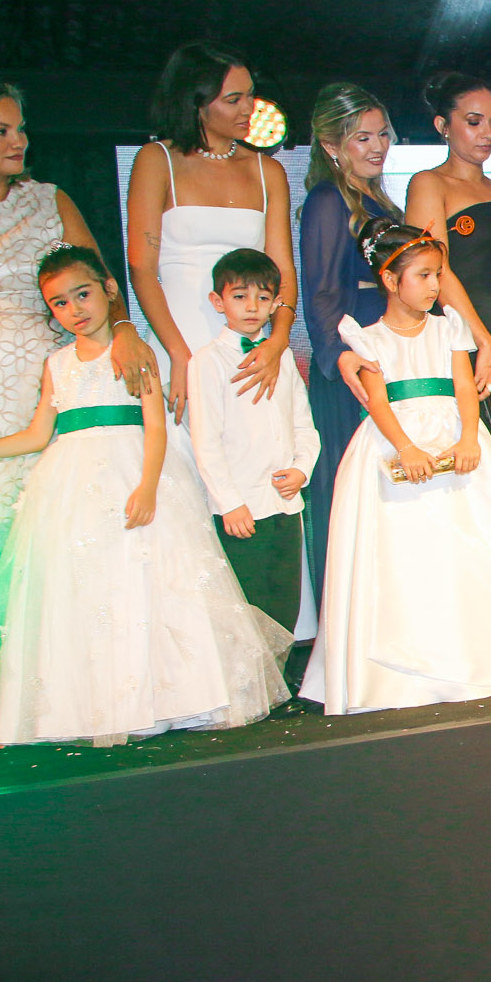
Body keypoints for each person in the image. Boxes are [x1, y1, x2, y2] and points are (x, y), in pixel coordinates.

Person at [0, 245, 288, 746]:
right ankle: (80, 708)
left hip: (133, 470)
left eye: (83, 294)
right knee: (81, 587)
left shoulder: (133, 351)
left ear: (108, 289)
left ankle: (174, 698)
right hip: (70, 485)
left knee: (149, 576)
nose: (75, 309)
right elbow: (37, 434)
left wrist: (148, 485)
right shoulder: (56, 364)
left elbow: (155, 425)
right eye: (60, 303)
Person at [300, 220, 491, 714]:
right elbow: (378, 399)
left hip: (454, 434)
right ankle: (404, 669)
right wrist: (406, 447)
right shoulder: (366, 337)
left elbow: (464, 386)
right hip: (397, 441)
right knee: (406, 553)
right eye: (424, 275)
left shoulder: (449, 326)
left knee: (476, 542)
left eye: (438, 274)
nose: (435, 285)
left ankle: (488, 656)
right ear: (391, 280)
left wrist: (469, 436)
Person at [0, 76, 157, 651]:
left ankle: (65, 674)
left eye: (20, 128)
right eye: (0, 131)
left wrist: (125, 330)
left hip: (54, 383)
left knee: (64, 540)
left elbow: (100, 282)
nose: (18, 140)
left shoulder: (50, 200)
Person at [125, 42, 299, 428]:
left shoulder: (268, 171)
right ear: (196, 104)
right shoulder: (157, 160)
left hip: (251, 345)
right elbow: (141, 267)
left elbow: (283, 269)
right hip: (179, 336)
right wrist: (178, 354)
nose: (248, 108)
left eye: (251, 95)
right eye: (233, 99)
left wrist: (278, 340)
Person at [298, 82, 400, 592]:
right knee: (352, 487)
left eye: (382, 134)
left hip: (387, 350)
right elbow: (319, 291)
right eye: (363, 138)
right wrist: (339, 356)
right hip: (352, 361)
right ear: (331, 145)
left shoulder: (377, 200)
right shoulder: (326, 199)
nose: (378, 146)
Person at [187, 248, 319, 632]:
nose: (251, 307)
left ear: (276, 303)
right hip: (242, 508)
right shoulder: (207, 361)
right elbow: (206, 440)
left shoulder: (283, 358)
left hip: (285, 503)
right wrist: (229, 503)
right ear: (218, 301)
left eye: (263, 297)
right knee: (247, 612)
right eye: (240, 296)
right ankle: (253, 675)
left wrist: (302, 469)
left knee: (284, 606)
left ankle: (280, 673)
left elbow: (303, 425)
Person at [402, 71, 491, 441]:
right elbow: (433, 269)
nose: (487, 133)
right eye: (474, 122)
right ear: (443, 126)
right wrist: (483, 340)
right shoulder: (429, 183)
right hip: (465, 339)